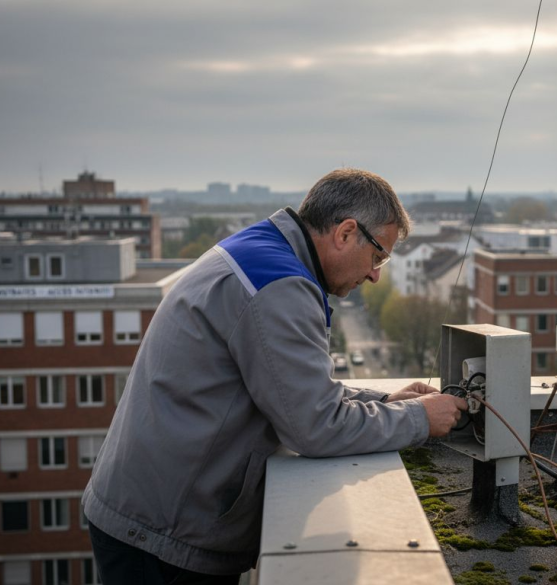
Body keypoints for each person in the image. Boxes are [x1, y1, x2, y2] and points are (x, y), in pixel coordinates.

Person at [82, 168, 469, 583]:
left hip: (149, 510)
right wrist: (420, 419)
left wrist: (382, 403)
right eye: (378, 256)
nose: (376, 274)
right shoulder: (280, 286)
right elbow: (316, 428)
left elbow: (289, 386)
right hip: (163, 532)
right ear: (345, 233)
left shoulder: (263, 251)